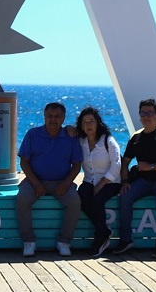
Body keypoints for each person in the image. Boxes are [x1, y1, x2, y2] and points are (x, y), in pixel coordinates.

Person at [111, 98, 156, 259]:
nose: (146, 116)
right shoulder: (136, 137)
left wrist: (152, 166)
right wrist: (125, 181)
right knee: (125, 196)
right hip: (144, 182)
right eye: (143, 113)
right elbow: (125, 162)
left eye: (150, 113)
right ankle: (126, 240)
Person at [15, 101, 83, 256]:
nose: (53, 119)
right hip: (34, 181)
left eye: (57, 116)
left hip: (62, 182)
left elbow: (77, 165)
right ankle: (29, 241)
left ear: (63, 118)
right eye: (50, 116)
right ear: (44, 117)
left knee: (74, 201)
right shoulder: (33, 134)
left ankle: (64, 242)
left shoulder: (71, 137)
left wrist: (66, 183)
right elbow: (24, 162)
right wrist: (35, 183)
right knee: (22, 199)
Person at [75, 106, 121, 256]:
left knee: (97, 199)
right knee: (80, 197)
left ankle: (100, 238)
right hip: (89, 180)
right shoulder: (80, 141)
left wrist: (102, 183)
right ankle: (104, 230)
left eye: (91, 121)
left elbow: (117, 164)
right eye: (84, 122)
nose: (88, 125)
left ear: (98, 123)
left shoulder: (108, 140)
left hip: (111, 181)